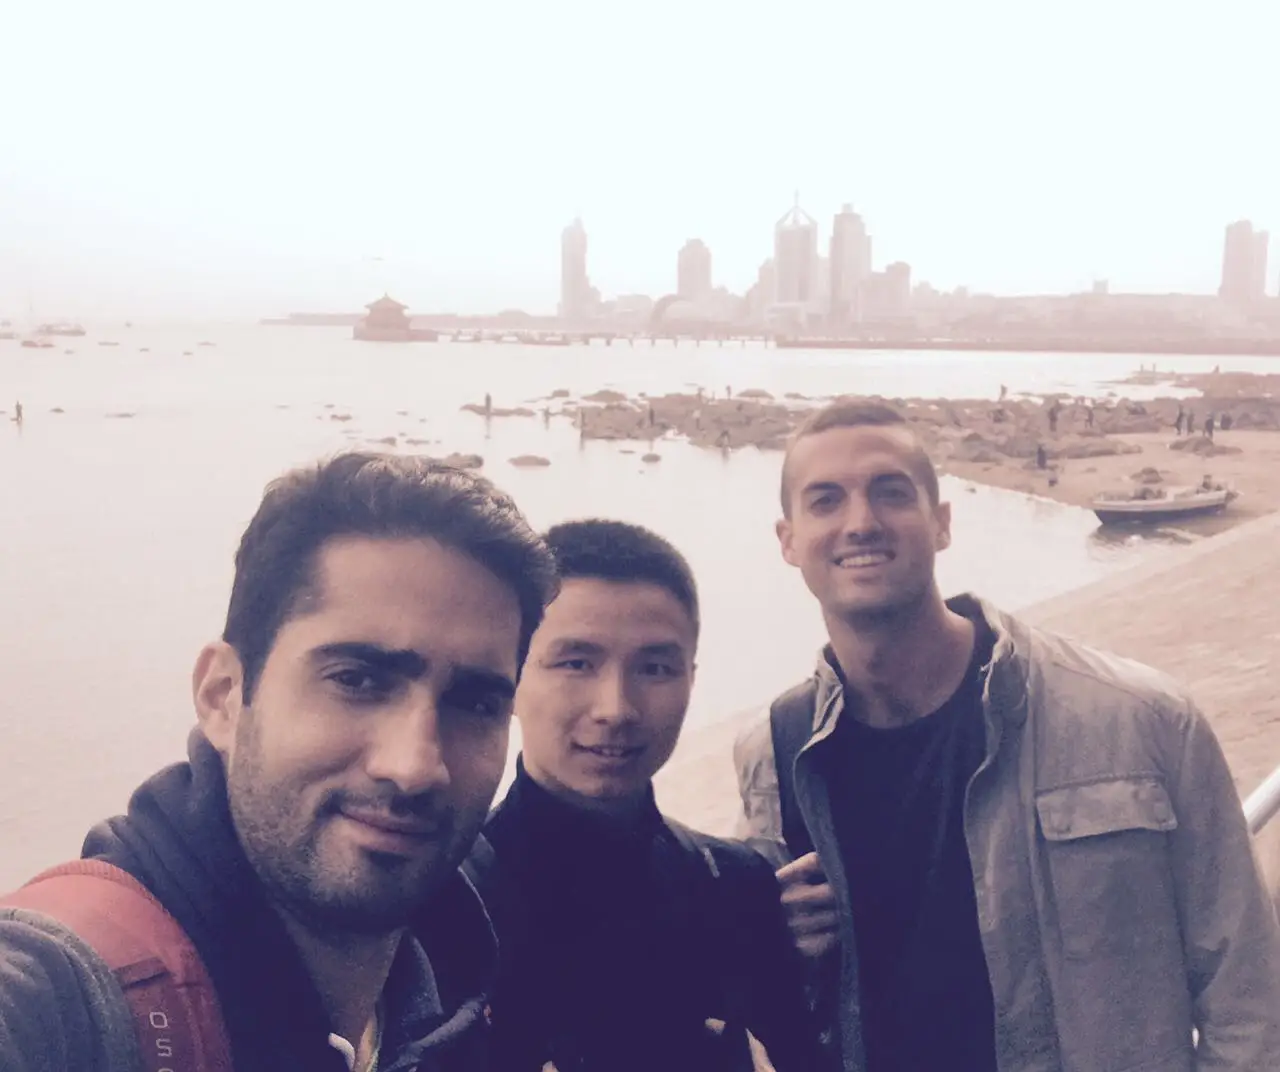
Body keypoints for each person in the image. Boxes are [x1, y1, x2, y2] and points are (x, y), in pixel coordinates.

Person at [734, 398, 1280, 1072]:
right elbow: (768, 1010)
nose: (861, 522)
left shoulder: (1139, 721)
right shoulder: (775, 752)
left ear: (941, 523)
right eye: (826, 501)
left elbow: (1248, 1000)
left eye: (891, 493)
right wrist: (777, 946)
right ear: (788, 540)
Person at [0, 452, 558, 1072]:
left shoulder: (462, 978)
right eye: (356, 680)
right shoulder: (68, 992)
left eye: (475, 703)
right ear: (223, 697)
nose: (414, 766)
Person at [472, 520, 822, 1072]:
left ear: (691, 680)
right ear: (509, 675)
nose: (616, 708)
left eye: (654, 668)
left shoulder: (736, 888)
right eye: (576, 663)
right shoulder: (443, 907)